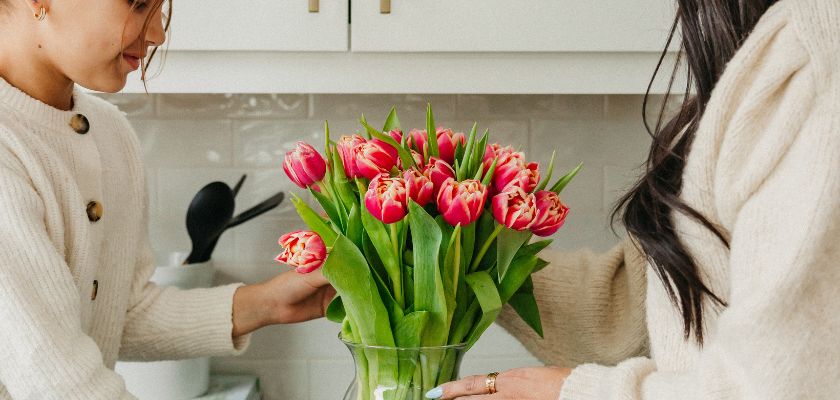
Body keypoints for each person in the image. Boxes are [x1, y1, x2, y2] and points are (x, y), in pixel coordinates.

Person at [428, 0, 840, 399]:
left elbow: (780, 389)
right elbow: (641, 311)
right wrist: (458, 243)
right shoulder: (764, 51)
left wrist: (573, 394)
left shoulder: (814, 62)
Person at [0, 0, 334, 398]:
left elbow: (123, 311)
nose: (157, 33)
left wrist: (266, 304)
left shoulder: (110, 133)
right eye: (139, 4)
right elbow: (59, 383)